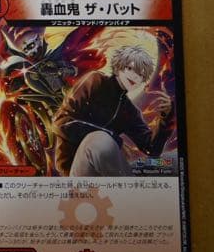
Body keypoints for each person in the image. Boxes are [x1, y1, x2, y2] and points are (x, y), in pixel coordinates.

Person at [53, 44, 175, 176]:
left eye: (141, 75)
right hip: (76, 169)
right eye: (130, 69)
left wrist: (165, 119)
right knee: (100, 139)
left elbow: (151, 149)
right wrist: (113, 139)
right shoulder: (95, 81)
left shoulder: (129, 110)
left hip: (106, 171)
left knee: (173, 161)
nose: (135, 76)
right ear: (118, 67)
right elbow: (61, 122)